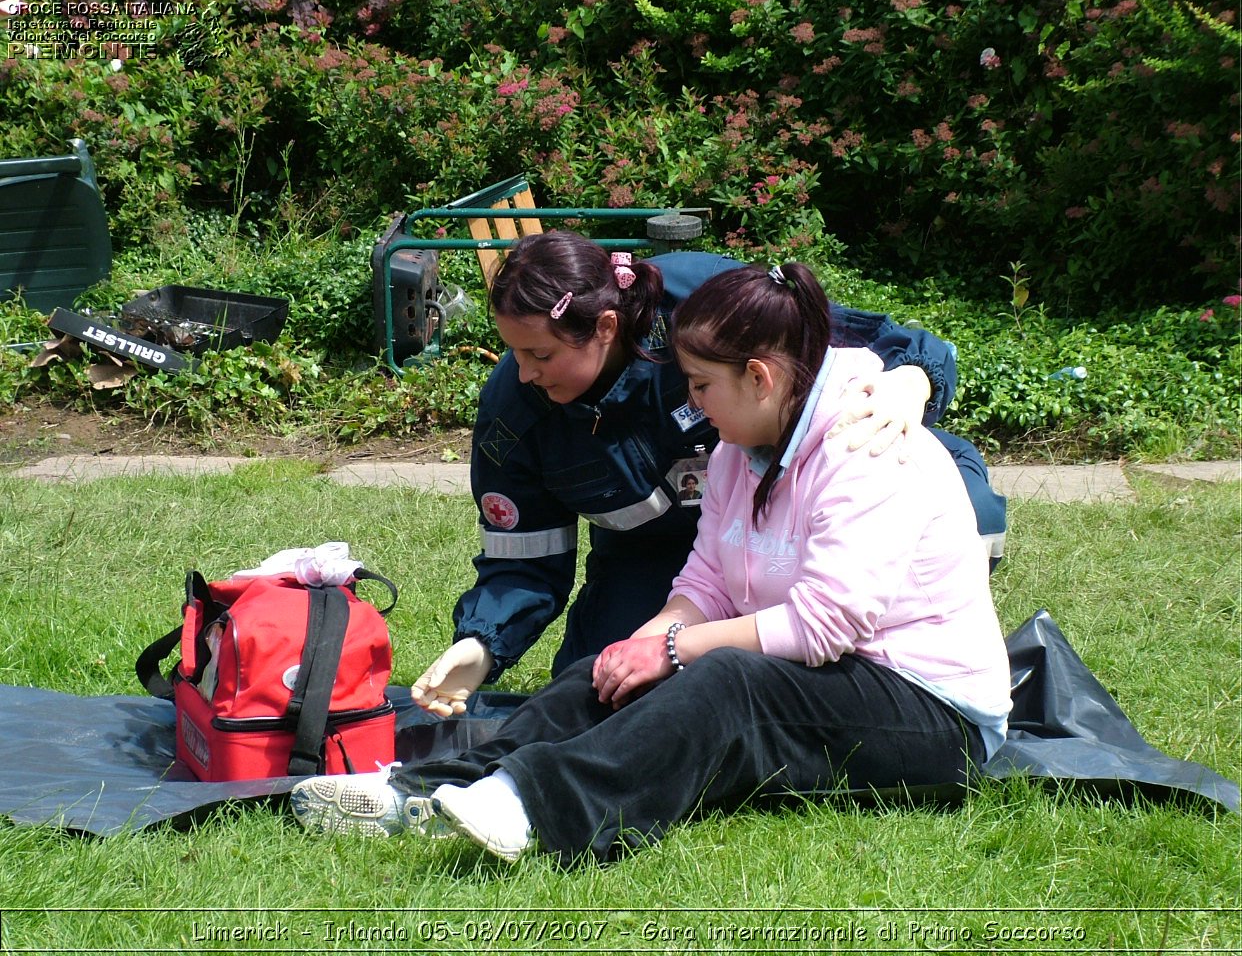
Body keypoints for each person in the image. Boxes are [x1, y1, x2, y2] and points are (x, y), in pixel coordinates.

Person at [290, 261, 1013, 864]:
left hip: (932, 714)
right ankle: (420, 789)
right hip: (830, 678)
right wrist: (649, 640)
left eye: (701, 386)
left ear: (761, 378)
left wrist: (675, 646)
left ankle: (529, 803)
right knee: (612, 667)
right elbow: (704, 579)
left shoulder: (862, 446)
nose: (692, 404)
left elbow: (826, 626)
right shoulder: (740, 449)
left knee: (725, 680)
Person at [413, 230, 1006, 719]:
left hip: (809, 526)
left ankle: (906, 665)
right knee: (607, 687)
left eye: (541, 355)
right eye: (513, 353)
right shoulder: (514, 416)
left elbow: (855, 339)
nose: (523, 375)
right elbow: (525, 558)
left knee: (790, 654)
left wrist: (911, 383)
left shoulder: (699, 305)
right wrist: (481, 643)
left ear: (605, 328)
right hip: (671, 558)